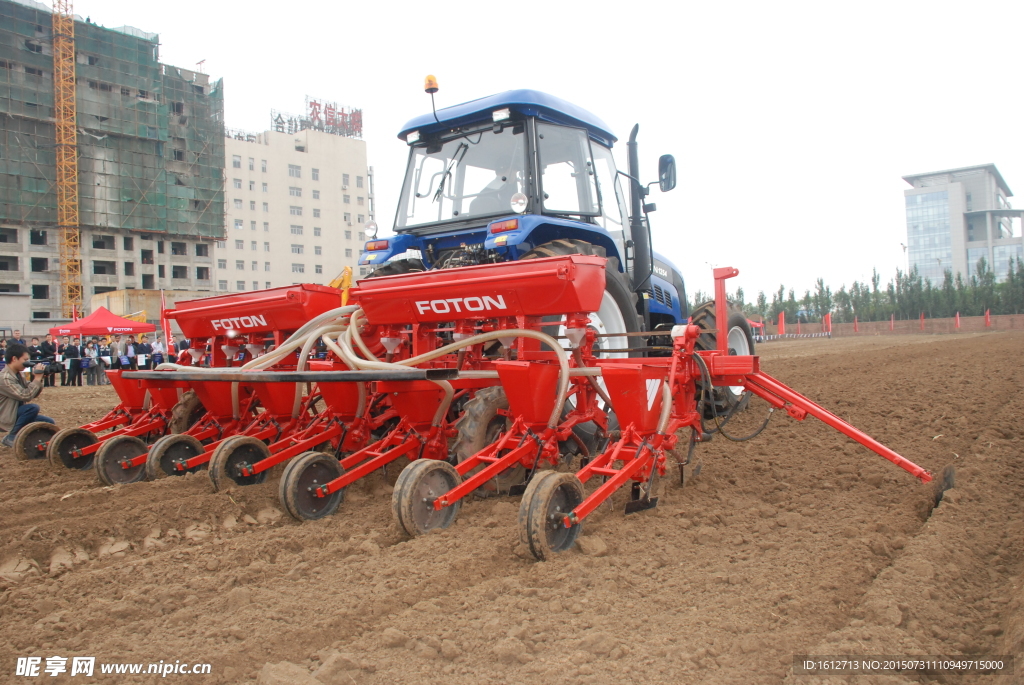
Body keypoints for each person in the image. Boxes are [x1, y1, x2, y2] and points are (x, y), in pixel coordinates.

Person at [0, 343, 53, 448]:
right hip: (4, 415)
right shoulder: (5, 377)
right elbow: (26, 396)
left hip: (15, 413)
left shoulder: (18, 374)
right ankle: (12, 437)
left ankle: (33, 443)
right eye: (25, 360)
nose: (27, 363)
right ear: (14, 358)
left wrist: (40, 378)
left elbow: (33, 392)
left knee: (48, 423)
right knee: (32, 408)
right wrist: (37, 379)